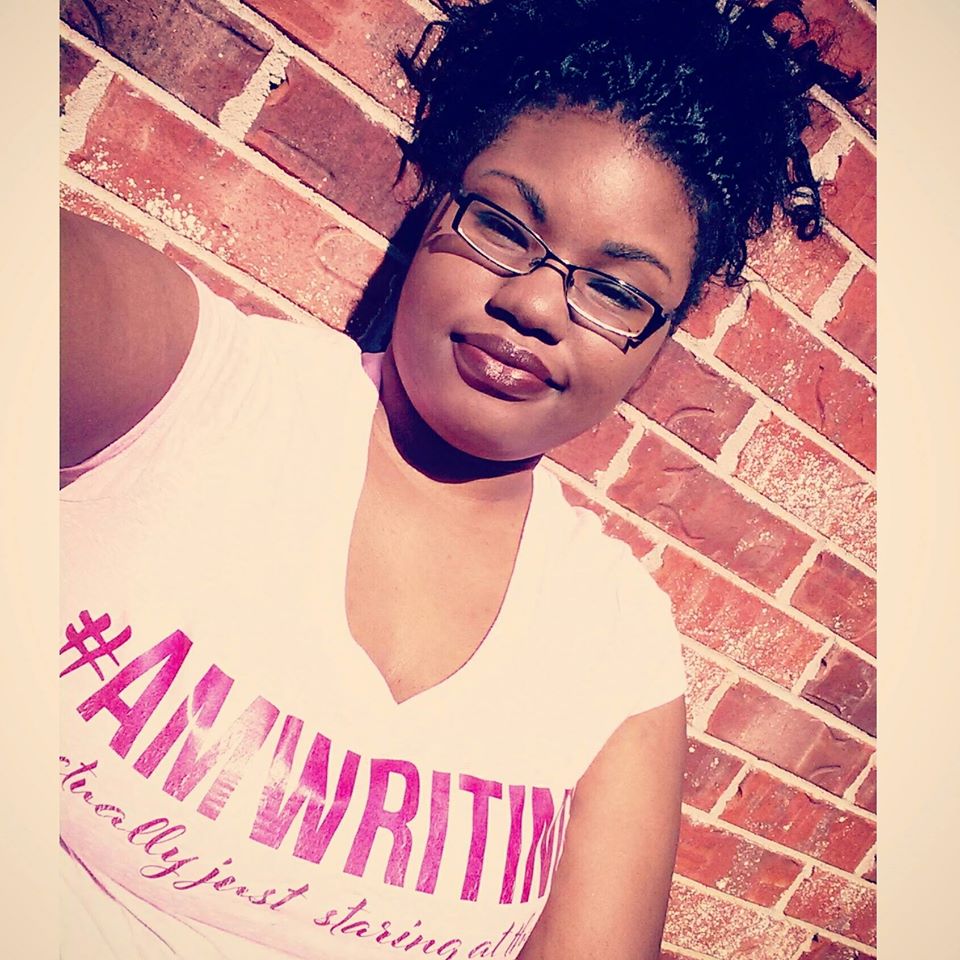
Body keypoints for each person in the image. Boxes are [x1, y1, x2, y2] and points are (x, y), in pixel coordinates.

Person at [59, 1, 862, 958]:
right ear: (441, 207)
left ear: (656, 351)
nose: (534, 302)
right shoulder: (179, 387)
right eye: (502, 225)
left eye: (618, 291)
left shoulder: (617, 643)